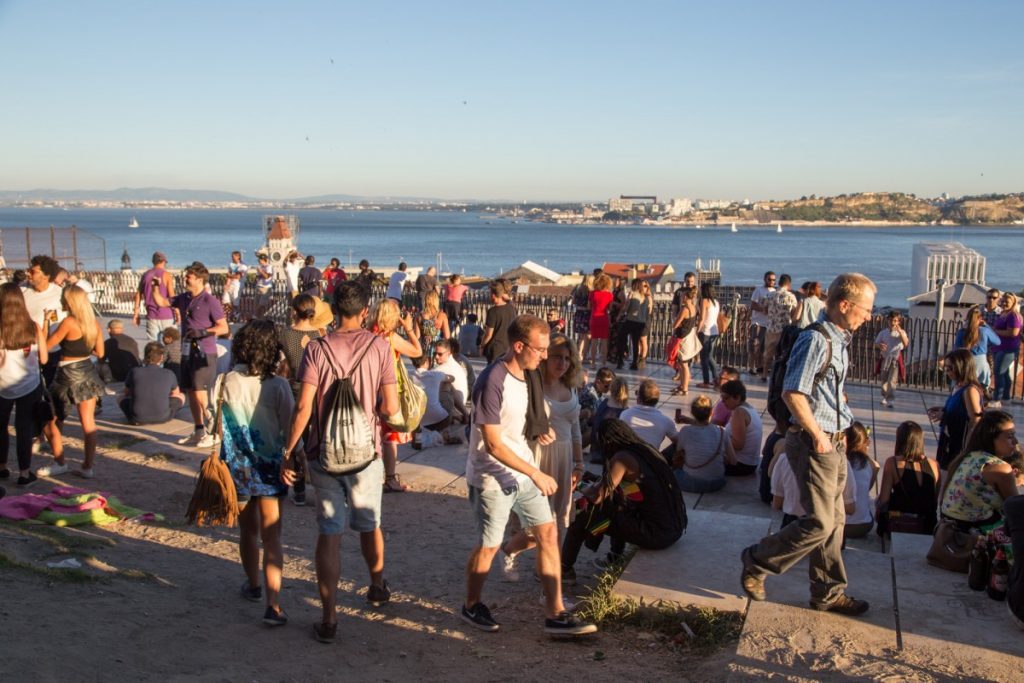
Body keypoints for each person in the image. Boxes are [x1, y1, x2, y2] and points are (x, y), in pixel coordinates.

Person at [741, 273, 877, 617]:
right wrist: (818, 435)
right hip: (815, 443)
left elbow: (818, 389)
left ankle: (828, 593)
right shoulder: (817, 340)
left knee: (834, 525)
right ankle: (758, 559)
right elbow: (792, 392)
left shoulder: (838, 338)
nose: (869, 316)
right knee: (819, 522)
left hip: (834, 440)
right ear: (844, 305)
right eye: (865, 308)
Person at [280, 280, 399, 645]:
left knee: (329, 532)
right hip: (366, 454)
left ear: (331, 308)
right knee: (369, 524)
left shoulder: (316, 349)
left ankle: (329, 617)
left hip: (323, 452)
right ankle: (377, 586)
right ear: (365, 311)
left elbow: (303, 407)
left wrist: (289, 449)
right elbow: (391, 408)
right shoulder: (380, 347)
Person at [461, 314, 595, 636]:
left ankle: (556, 613)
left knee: (548, 534)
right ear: (519, 346)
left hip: (521, 472)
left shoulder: (531, 375)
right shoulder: (492, 381)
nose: (546, 357)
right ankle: (471, 605)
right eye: (540, 350)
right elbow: (492, 444)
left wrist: (541, 431)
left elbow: (530, 418)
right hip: (492, 477)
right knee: (489, 546)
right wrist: (536, 472)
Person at [216, 319, 294, 627]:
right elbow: (290, 427)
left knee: (246, 531)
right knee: (272, 536)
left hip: (236, 467)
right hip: (270, 467)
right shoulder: (278, 386)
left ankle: (252, 584)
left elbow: (216, 422)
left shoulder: (225, 380)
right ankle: (273, 605)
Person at [561, 419, 685, 580]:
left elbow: (598, 497)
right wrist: (594, 481)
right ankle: (615, 556)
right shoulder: (644, 451)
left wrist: (579, 486)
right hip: (673, 529)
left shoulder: (621, 459)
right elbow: (620, 488)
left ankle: (564, 570)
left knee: (583, 512)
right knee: (617, 503)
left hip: (655, 534)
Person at [0, 283, 63, 484]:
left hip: (2, 385)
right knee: (24, 429)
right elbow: (44, 359)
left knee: (1, 427)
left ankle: (2, 467)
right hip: (29, 383)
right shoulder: (33, 326)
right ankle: (24, 473)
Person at [276, 295, 333, 506]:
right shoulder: (321, 334)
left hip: (293, 389)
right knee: (318, 441)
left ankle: (299, 490)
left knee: (296, 438)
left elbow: (279, 362)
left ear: (293, 311)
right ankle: (324, 489)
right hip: (318, 391)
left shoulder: (285, 334)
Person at [46, 285, 105, 479]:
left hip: (67, 373)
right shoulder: (93, 323)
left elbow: (48, 345)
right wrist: (83, 349)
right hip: (87, 371)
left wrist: (46, 324)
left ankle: (59, 462)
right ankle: (87, 466)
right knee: (88, 422)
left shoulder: (68, 322)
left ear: (69, 301)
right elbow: (100, 353)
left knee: (55, 418)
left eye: (63, 298)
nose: (62, 301)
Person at [367, 298, 422, 494]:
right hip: (388, 390)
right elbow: (417, 352)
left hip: (367, 390)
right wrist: (408, 329)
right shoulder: (390, 337)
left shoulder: (366, 335)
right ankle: (390, 478)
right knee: (390, 437)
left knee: (371, 434)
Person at [172, 262, 229, 449]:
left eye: (188, 276)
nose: (185, 278)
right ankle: (198, 431)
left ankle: (214, 433)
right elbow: (162, 301)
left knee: (200, 394)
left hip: (205, 353)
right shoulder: (184, 298)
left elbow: (223, 327)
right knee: (190, 392)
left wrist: (202, 332)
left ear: (199, 279)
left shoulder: (209, 301)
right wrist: (154, 284)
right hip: (187, 352)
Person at [939, 410, 1019, 533]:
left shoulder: (968, 456)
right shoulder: (999, 468)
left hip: (948, 531)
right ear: (991, 438)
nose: (1015, 441)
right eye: (1010, 436)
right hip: (976, 536)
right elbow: (1016, 508)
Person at [875, 421, 937, 537]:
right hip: (927, 525)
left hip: (899, 523)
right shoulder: (934, 464)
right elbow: (934, 498)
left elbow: (884, 500)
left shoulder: (892, 463)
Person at [926, 349, 984, 471]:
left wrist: (967, 448)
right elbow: (960, 409)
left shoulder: (970, 391)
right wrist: (944, 410)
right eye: (945, 367)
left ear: (962, 367)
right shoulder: (957, 386)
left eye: (950, 368)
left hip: (959, 443)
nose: (947, 371)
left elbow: (975, 420)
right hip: (949, 438)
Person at [674, 395, 736, 493]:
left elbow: (678, 453)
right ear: (711, 412)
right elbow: (733, 461)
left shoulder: (685, 431)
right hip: (717, 483)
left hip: (692, 482)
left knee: (675, 473)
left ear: (692, 413)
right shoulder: (722, 431)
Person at [23, 255, 67, 387]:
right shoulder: (21, 291)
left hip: (54, 351)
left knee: (51, 389)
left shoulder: (61, 294)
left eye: (33, 272)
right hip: (28, 351)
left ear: (46, 276)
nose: (28, 274)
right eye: (28, 270)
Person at [119, 342, 185, 425]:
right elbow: (176, 393)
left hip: (137, 418)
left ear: (145, 355)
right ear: (161, 357)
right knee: (181, 396)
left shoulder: (134, 371)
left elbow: (126, 392)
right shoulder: (169, 373)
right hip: (163, 417)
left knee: (120, 397)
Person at [620, 379, 678, 454]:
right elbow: (680, 442)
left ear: (638, 398)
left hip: (629, 458)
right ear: (657, 400)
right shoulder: (665, 421)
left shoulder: (625, 414)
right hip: (651, 460)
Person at [844, 422, 879, 539]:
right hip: (864, 525)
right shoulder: (871, 464)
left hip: (842, 526)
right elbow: (866, 489)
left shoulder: (841, 461)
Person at [721, 379, 762, 476]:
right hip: (749, 464)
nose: (722, 401)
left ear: (737, 397)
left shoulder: (739, 412)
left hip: (740, 465)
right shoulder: (749, 408)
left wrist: (720, 435)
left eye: (725, 398)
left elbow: (738, 445)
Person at [132, 252, 175, 341]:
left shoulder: (146, 275)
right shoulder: (166, 275)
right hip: (167, 314)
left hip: (151, 315)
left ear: (153, 262)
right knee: (171, 344)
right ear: (163, 262)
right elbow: (172, 296)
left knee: (153, 347)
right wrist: (177, 313)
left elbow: (138, 294)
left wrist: (136, 314)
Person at [762, 274, 798, 383]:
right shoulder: (791, 296)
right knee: (784, 353)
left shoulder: (770, 295)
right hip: (785, 329)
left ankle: (764, 374)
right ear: (788, 284)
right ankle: (780, 375)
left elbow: (764, 310)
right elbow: (795, 313)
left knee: (768, 353)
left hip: (771, 328)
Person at [954, 307, 1001, 390]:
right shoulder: (984, 331)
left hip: (965, 360)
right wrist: (986, 325)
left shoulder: (961, 332)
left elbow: (956, 348)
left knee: (963, 387)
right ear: (980, 318)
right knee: (980, 389)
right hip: (980, 362)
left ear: (967, 318)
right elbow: (997, 342)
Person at [991, 292, 1022, 408]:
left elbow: (1013, 333)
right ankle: (1006, 397)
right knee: (1004, 373)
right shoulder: (1003, 313)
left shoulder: (1013, 316)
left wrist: (995, 332)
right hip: (999, 347)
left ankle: (997, 398)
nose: (1004, 303)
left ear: (1013, 303)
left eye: (1006, 302)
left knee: (999, 372)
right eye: (1002, 301)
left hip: (1008, 348)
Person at [589, 376, 629, 464]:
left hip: (596, 451)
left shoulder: (604, 404)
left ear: (611, 389)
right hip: (613, 454)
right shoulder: (626, 412)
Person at [614, 278, 652, 370]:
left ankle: (620, 361)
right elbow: (649, 311)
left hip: (630, 320)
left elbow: (625, 307)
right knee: (635, 343)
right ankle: (635, 363)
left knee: (622, 340)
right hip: (641, 323)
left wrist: (619, 316)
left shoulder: (632, 294)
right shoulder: (646, 297)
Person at [874, 310, 908, 408]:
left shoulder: (901, 332)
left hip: (895, 359)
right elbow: (876, 343)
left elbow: (906, 343)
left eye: (895, 321)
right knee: (884, 379)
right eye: (890, 320)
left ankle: (891, 399)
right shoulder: (883, 332)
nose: (892, 323)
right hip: (885, 358)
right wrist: (879, 345)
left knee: (892, 380)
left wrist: (900, 332)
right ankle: (885, 396)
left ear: (898, 322)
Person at [668, 286, 698, 395]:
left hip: (682, 338)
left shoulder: (684, 309)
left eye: (681, 296)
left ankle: (684, 387)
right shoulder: (693, 307)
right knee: (682, 363)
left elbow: (675, 324)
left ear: (685, 297)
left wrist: (677, 322)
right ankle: (682, 385)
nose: (680, 298)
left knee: (683, 364)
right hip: (688, 336)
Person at [747, 271, 777, 376]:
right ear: (765, 279)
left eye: (773, 280)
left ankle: (760, 367)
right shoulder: (758, 290)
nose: (772, 281)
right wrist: (762, 309)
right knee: (754, 346)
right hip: (758, 323)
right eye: (770, 279)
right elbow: (753, 305)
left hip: (768, 324)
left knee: (764, 348)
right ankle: (751, 367)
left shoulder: (775, 292)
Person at [481, 279, 516, 363]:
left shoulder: (492, 311)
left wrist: (481, 346)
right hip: (508, 347)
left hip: (495, 349)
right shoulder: (511, 308)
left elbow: (488, 335)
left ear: (493, 295)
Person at [99, 319, 140, 383]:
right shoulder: (132, 340)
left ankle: (108, 380)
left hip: (118, 376)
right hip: (133, 373)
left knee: (98, 364)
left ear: (109, 329)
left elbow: (101, 359)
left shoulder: (108, 343)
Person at [696, 282, 721, 388]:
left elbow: (702, 318)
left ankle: (706, 381)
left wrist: (697, 330)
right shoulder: (716, 302)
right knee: (710, 356)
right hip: (715, 332)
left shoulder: (704, 301)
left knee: (704, 358)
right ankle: (716, 379)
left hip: (705, 332)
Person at [587, 274, 614, 366]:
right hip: (604, 318)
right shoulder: (609, 295)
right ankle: (603, 363)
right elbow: (610, 309)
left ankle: (593, 362)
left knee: (594, 341)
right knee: (604, 342)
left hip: (594, 318)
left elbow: (589, 307)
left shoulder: (592, 294)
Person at [417, 290, 451, 359]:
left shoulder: (419, 316)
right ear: (437, 301)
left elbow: (416, 337)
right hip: (437, 349)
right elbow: (447, 337)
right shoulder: (442, 316)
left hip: (424, 350)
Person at [570, 275, 592, 362]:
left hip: (578, 314)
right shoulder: (590, 291)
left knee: (581, 336)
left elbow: (573, 302)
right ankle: (584, 355)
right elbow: (589, 306)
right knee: (587, 336)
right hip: (586, 314)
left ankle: (579, 354)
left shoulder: (578, 290)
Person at [224, 251, 249, 321]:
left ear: (238, 257)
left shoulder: (243, 266)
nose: (232, 258)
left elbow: (238, 276)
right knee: (226, 301)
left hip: (238, 285)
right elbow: (228, 275)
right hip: (230, 284)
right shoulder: (230, 264)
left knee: (235, 301)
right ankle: (234, 313)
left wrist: (230, 275)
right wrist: (227, 284)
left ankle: (235, 315)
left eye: (234, 256)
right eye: (232, 256)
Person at [254, 254, 274, 318]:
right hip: (259, 286)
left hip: (266, 288)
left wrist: (261, 271)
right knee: (257, 304)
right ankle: (259, 318)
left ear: (264, 259)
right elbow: (258, 277)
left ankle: (255, 316)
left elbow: (267, 276)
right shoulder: (260, 266)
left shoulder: (269, 267)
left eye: (260, 259)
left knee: (261, 305)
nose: (259, 260)